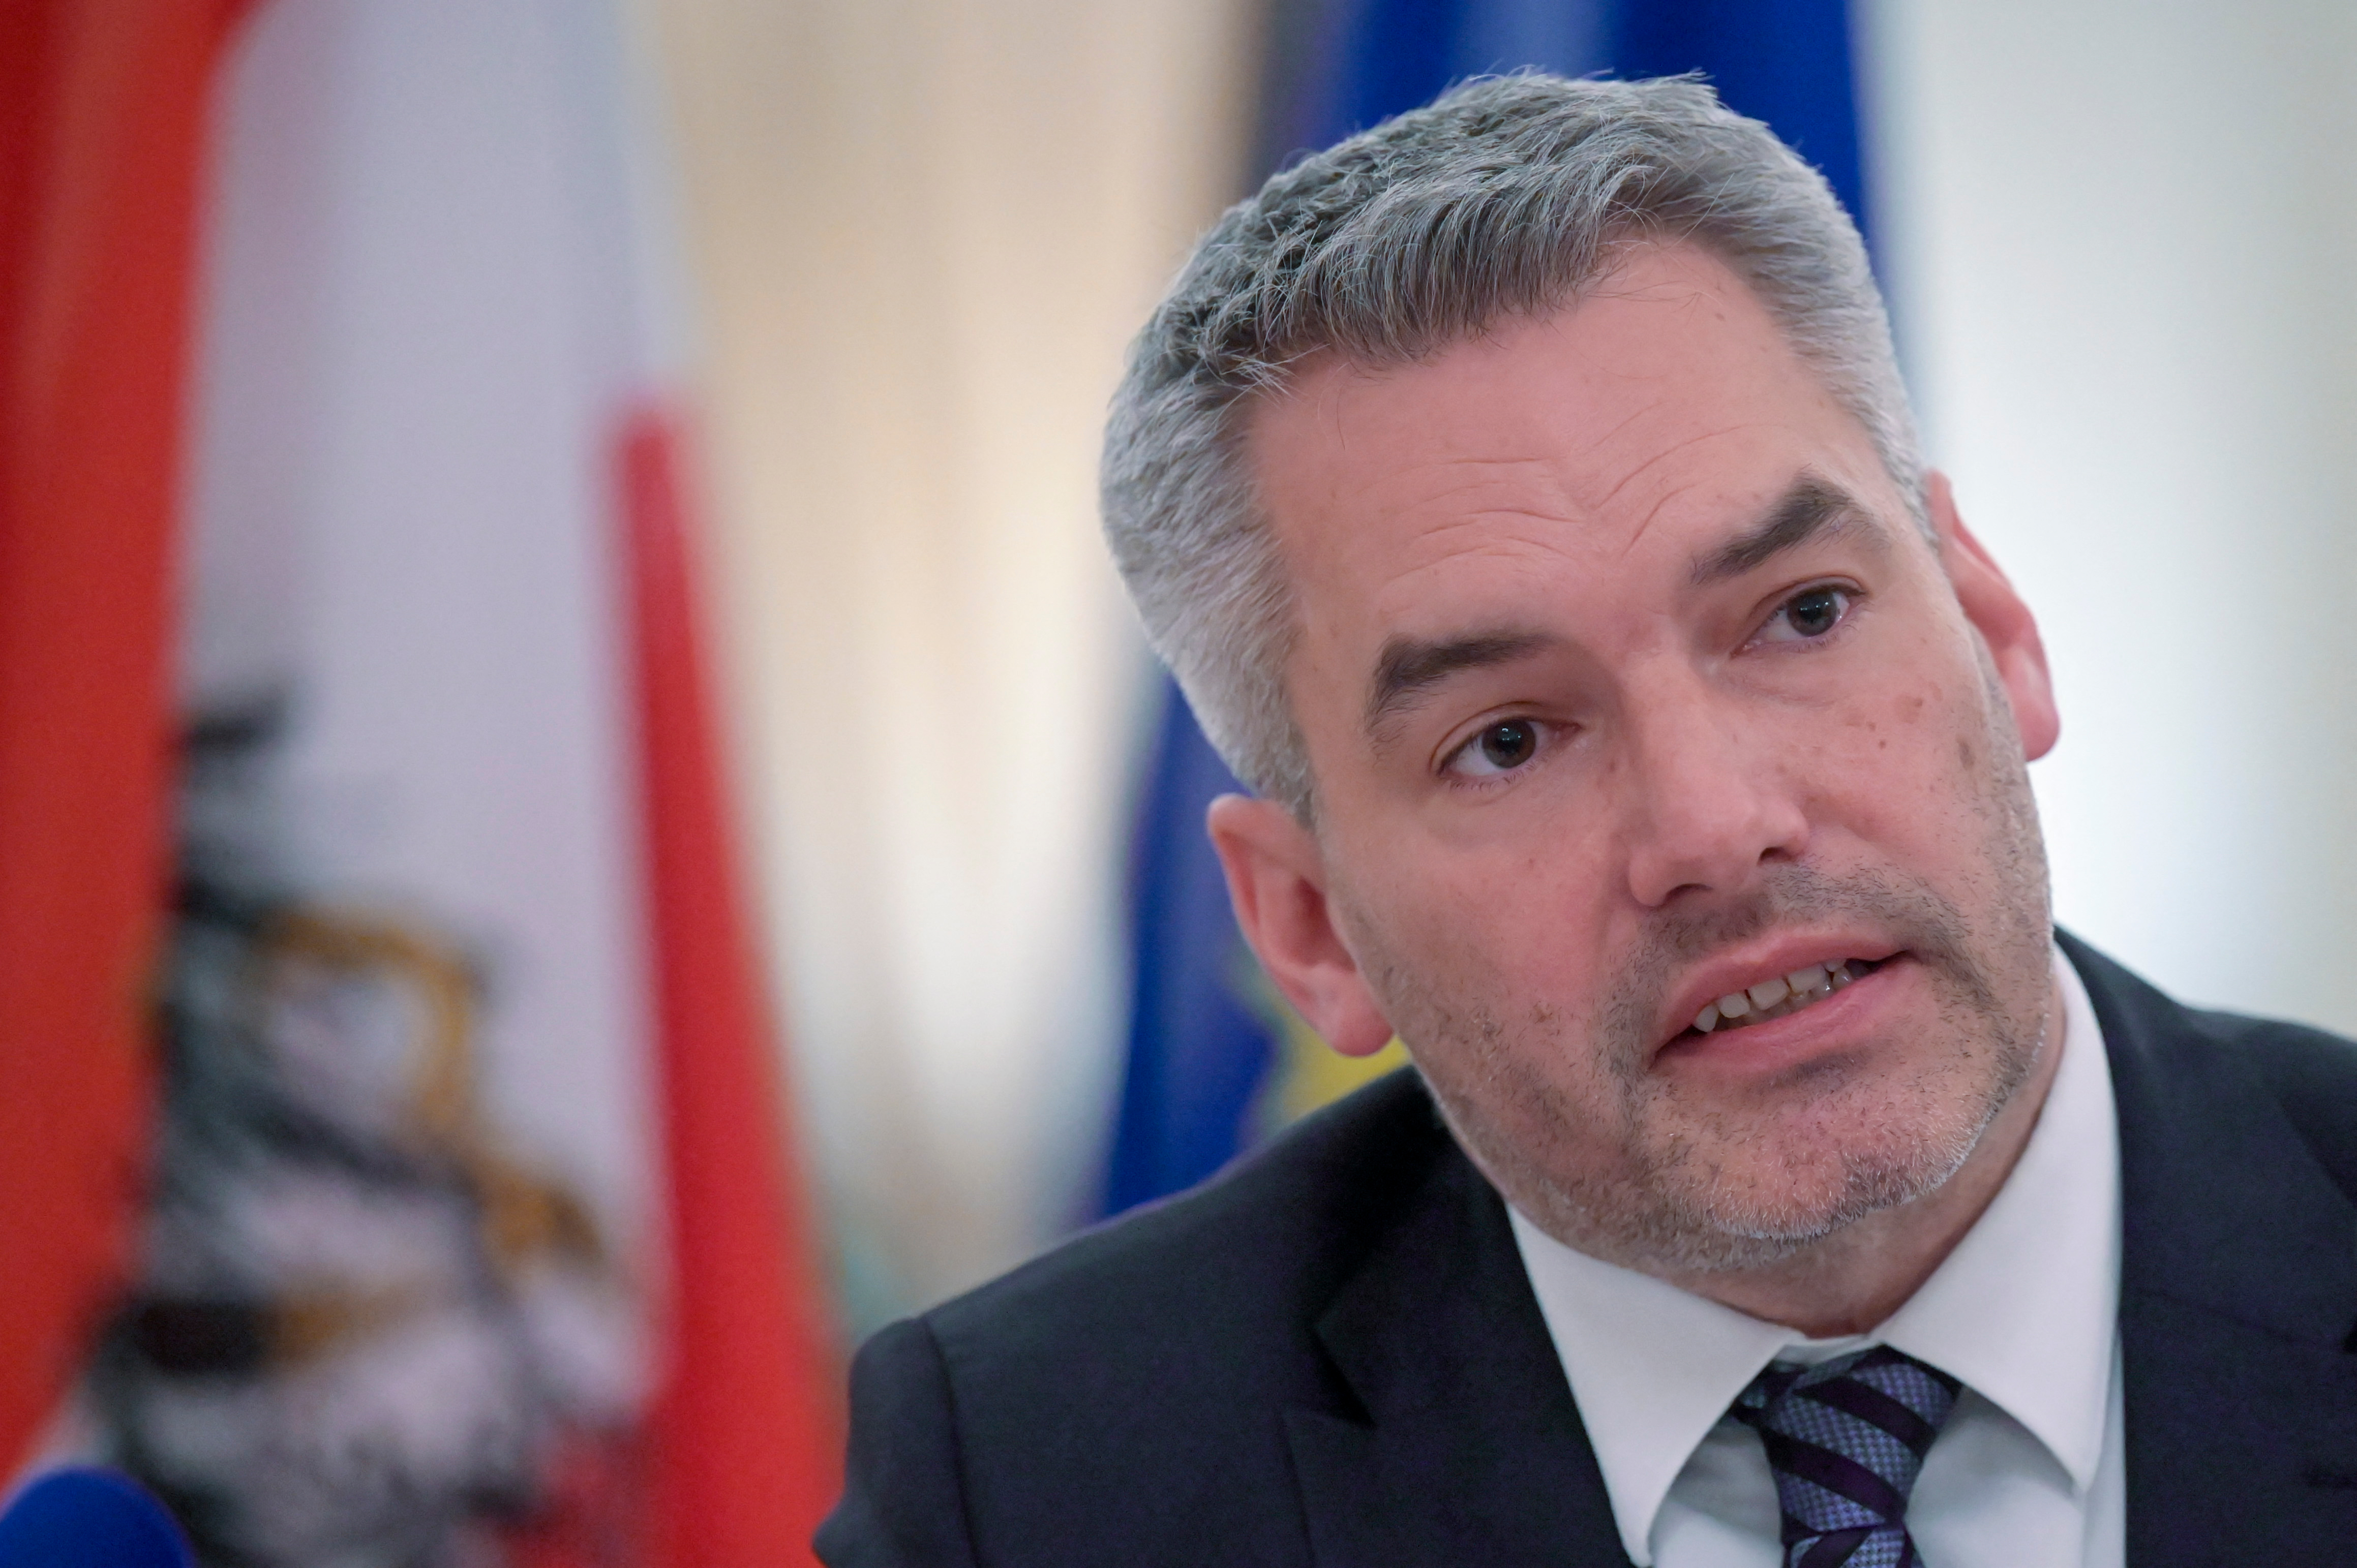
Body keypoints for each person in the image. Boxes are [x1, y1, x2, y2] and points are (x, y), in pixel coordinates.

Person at [817, 74, 2357, 1567]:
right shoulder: (1036, 1490)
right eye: (1504, 742)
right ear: (1309, 927)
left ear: (1992, 629)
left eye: (1801, 614)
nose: (1713, 823)